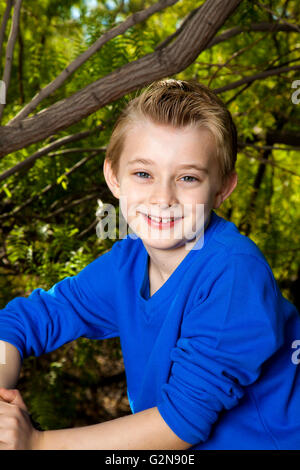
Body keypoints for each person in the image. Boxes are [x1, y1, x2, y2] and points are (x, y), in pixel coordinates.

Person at [0, 79, 299, 450]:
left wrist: (37, 443)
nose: (163, 198)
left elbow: (181, 424)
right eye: (144, 174)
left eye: (188, 178)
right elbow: (22, 320)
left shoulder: (233, 272)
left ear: (222, 188)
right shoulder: (127, 262)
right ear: (114, 177)